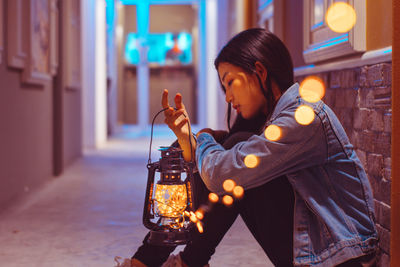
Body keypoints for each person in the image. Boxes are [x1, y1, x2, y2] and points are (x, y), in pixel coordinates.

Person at [120, 28, 378, 267]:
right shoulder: (276, 121)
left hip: (340, 257)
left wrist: (202, 140)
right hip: (317, 252)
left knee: (226, 155)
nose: (228, 97)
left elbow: (221, 175)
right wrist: (191, 143)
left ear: (260, 72)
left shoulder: (304, 116)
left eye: (230, 82)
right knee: (215, 149)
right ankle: (157, 260)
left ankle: (168, 262)